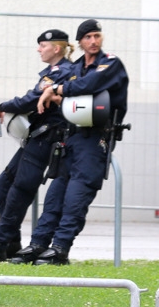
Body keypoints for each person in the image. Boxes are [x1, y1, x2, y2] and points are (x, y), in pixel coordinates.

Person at [14, 19, 129, 265]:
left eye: (97, 36)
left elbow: (90, 85)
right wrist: (54, 92)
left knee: (76, 196)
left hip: (96, 137)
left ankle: (60, 248)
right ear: (80, 42)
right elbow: (67, 91)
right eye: (88, 37)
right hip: (72, 136)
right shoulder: (76, 67)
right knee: (56, 194)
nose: (94, 41)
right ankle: (38, 244)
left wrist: (56, 88)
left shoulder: (110, 64)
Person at [0, 29, 73, 261]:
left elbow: (31, 99)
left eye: (42, 45)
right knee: (4, 183)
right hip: (37, 137)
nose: (39, 49)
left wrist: (4, 105)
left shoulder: (62, 72)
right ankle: (11, 242)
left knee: (20, 189)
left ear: (56, 48)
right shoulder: (53, 72)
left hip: (48, 138)